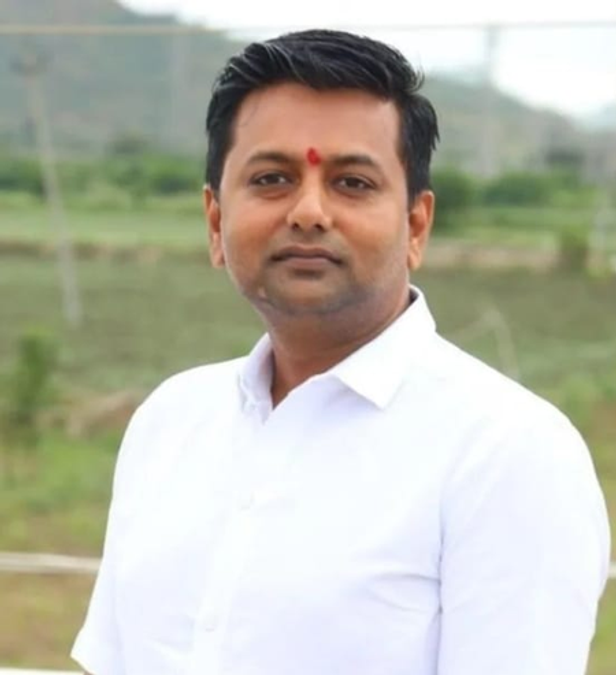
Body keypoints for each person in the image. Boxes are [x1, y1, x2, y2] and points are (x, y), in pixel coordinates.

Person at [72, 29, 611, 675]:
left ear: (415, 225)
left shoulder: (507, 454)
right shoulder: (171, 421)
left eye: (352, 182)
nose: (308, 211)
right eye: (272, 179)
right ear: (215, 222)